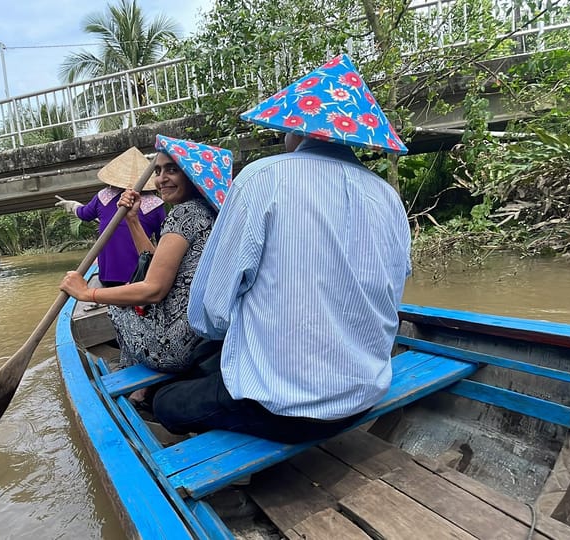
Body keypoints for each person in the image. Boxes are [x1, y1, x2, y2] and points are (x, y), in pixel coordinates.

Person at [152, 53, 413, 444]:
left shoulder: (263, 178)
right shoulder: (386, 196)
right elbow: (393, 290)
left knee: (165, 401)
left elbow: (210, 311)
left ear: (298, 132)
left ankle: (237, 480)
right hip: (366, 393)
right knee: (214, 363)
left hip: (286, 409)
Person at [59, 135, 233, 373]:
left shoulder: (183, 215)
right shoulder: (211, 212)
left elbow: (153, 289)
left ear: (192, 174)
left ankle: (136, 384)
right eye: (159, 170)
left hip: (175, 348)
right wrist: (132, 220)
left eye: (172, 170)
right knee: (130, 305)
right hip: (203, 338)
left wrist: (88, 293)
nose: (161, 179)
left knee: (117, 309)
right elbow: (156, 263)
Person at [56, 147, 166, 287]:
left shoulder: (104, 196)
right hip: (140, 277)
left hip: (108, 277)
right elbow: (163, 242)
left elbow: (83, 214)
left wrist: (72, 206)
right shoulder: (156, 205)